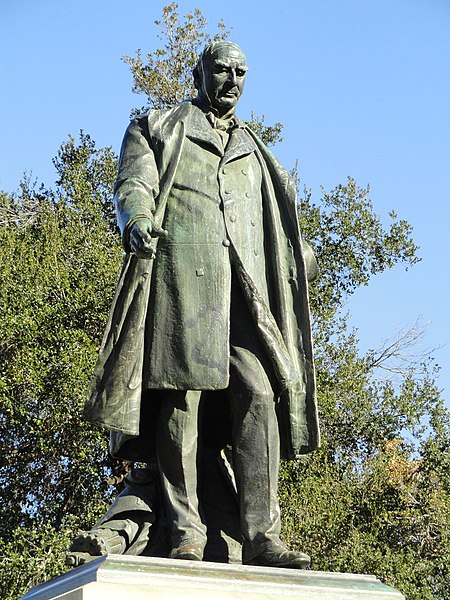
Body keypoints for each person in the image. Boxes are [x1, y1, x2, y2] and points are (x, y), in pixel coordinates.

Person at [84, 40, 320, 568]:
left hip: (244, 295)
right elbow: (133, 184)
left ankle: (263, 536)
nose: (232, 80)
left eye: (241, 72)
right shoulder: (159, 126)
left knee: (259, 395)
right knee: (180, 404)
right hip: (182, 284)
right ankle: (186, 530)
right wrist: (137, 220)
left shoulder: (256, 150)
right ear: (199, 72)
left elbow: (277, 227)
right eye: (222, 70)